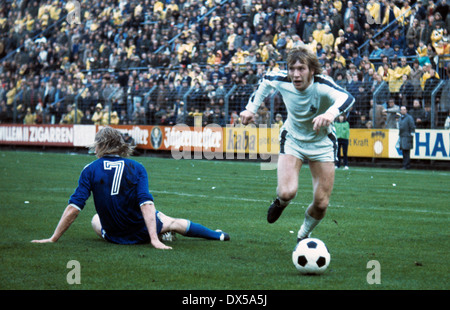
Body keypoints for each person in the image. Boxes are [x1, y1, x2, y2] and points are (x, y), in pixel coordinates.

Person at [32, 127, 230, 249]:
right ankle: (217, 235)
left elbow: (74, 208)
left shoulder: (89, 169)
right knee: (171, 221)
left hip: (114, 236)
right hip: (140, 233)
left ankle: (160, 233)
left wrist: (53, 238)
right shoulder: (137, 167)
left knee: (94, 220)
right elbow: (146, 203)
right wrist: (154, 240)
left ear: (101, 146)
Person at [239, 46, 354, 243]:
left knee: (321, 203)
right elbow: (265, 80)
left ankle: (303, 235)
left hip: (322, 143)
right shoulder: (282, 79)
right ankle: (280, 203)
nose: (295, 74)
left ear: (312, 70)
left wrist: (329, 114)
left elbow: (347, 98)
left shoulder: (323, 84)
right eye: (292, 68)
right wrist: (251, 108)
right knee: (286, 192)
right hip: (292, 139)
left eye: (301, 68)